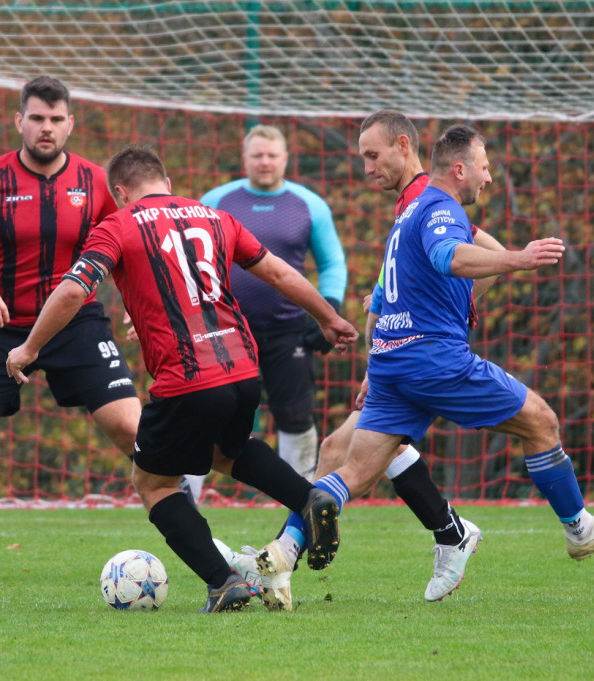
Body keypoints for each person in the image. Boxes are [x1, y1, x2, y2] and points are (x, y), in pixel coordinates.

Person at [7, 144, 358, 612]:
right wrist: (327, 317)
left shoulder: (118, 224)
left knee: (152, 483)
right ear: (167, 183)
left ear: (120, 192)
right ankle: (310, 499)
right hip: (243, 369)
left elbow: (73, 289)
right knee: (226, 451)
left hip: (187, 378)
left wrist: (29, 347)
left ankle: (223, 581)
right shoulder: (215, 217)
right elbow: (276, 271)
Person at [295, 124, 594, 598]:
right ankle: (580, 530)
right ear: (459, 170)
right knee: (540, 421)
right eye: (484, 167)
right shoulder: (438, 205)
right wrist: (520, 259)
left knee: (350, 474)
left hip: (392, 365)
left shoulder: (408, 209)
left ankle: (322, 505)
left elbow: (387, 294)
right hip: (434, 361)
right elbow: (448, 258)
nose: (490, 178)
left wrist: (377, 359)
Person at [217, 111, 510, 607]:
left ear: (403, 146)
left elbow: (488, 251)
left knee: (354, 456)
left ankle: (283, 556)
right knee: (342, 448)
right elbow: (394, 283)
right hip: (396, 355)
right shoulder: (407, 201)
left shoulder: (425, 196)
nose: (367, 168)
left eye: (373, 156)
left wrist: (440, 321)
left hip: (418, 357)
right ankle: (444, 531)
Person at [0, 76, 142, 579]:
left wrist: (136, 302)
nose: (46, 128)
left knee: (135, 429)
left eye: (56, 119)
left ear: (70, 125)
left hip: (76, 324)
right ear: (19, 121)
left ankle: (203, 545)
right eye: (37, 118)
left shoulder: (95, 182)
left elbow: (128, 247)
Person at [186, 125, 347, 491]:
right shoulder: (216, 200)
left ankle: (301, 500)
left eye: (272, 155)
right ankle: (186, 495)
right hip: (225, 329)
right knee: (206, 410)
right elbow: (192, 262)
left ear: (286, 159)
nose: (264, 162)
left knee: (294, 415)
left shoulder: (309, 205)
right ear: (244, 159)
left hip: (289, 331)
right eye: (257, 155)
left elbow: (333, 263)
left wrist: (330, 308)